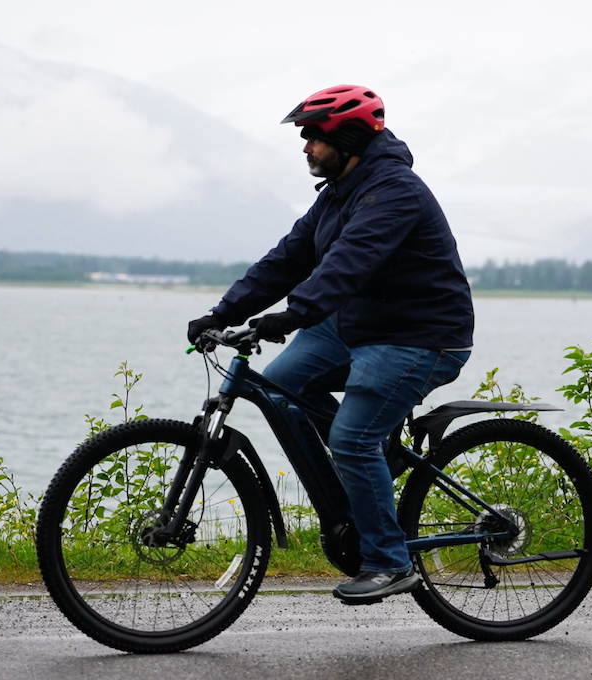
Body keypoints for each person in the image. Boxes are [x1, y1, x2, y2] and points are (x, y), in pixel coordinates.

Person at [187, 84, 474, 604]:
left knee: (351, 438)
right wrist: (222, 312)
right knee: (275, 387)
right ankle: (370, 470)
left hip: (419, 335)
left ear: (348, 138)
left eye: (313, 137)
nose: (304, 148)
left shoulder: (394, 191)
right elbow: (286, 260)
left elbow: (350, 263)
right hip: (355, 326)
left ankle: (388, 560)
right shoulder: (337, 194)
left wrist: (294, 314)